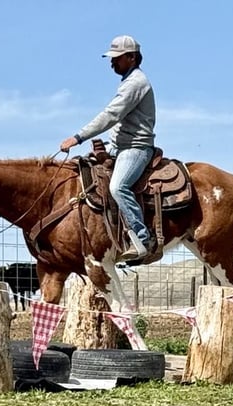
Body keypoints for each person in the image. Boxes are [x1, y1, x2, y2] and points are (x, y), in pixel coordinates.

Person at [60, 35, 156, 262]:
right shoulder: (128, 81)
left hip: (136, 147)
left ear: (132, 57)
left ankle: (142, 239)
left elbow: (112, 115)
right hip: (119, 146)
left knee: (118, 187)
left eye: (117, 57)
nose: (112, 62)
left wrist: (79, 137)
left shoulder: (136, 83)